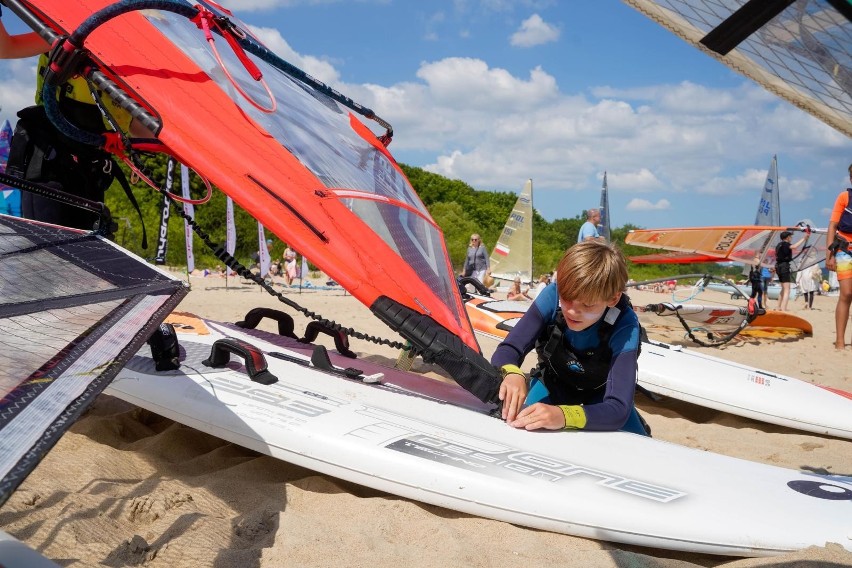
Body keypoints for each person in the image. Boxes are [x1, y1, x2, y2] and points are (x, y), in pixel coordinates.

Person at [491, 240, 648, 435]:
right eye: (566, 299)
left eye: (587, 305)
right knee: (519, 427)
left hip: (600, 394)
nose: (573, 311)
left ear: (613, 299)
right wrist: (512, 373)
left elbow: (617, 409)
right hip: (553, 383)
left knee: (641, 442)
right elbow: (508, 350)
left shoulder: (625, 324)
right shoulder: (553, 295)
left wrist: (563, 416)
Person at [826, 163, 852, 349]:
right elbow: (832, 226)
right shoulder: (844, 197)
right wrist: (830, 255)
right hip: (844, 249)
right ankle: (840, 341)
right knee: (847, 293)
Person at [775, 230, 805, 311]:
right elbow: (794, 246)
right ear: (787, 237)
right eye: (791, 237)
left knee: (783, 288)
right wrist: (804, 239)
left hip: (778, 266)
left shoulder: (778, 245)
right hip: (784, 266)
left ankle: (778, 307)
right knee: (787, 289)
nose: (791, 238)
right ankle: (784, 308)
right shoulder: (785, 244)